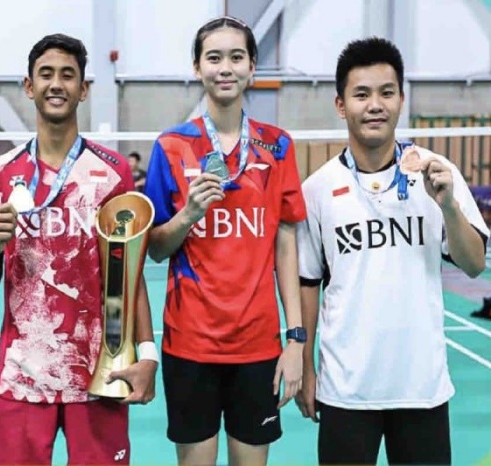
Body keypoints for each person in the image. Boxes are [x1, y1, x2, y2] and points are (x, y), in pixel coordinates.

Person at [0, 33, 157, 466]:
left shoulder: (112, 173)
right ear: (29, 86)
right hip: (23, 374)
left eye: (68, 75)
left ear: (83, 89)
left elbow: (130, 271)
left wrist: (147, 354)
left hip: (102, 371)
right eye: (46, 74)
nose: (56, 84)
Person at [295, 37, 489, 466]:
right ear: (341, 105)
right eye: (361, 94)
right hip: (345, 390)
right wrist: (306, 367)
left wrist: (448, 206)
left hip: (422, 389)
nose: (375, 105)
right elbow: (308, 283)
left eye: (386, 92)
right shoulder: (318, 189)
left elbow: (475, 264)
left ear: (401, 99)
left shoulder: (438, 173)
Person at [143, 16, 307, 466]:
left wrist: (296, 338)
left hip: (258, 345)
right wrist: (189, 215)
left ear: (252, 66)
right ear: (197, 67)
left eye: (236, 57)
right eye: (214, 57)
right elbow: (155, 247)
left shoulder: (278, 146)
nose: (225, 68)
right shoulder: (171, 146)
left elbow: (285, 243)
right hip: (189, 344)